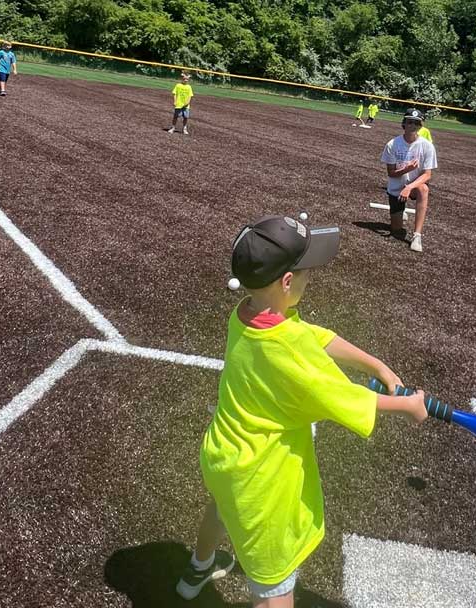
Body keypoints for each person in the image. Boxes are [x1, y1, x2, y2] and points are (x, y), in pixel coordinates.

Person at [176, 215, 427, 606]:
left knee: (222, 508)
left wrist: (375, 365)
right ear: (287, 282)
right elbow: (342, 397)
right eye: (307, 272)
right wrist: (408, 406)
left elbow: (313, 335)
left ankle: (198, 566)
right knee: (274, 587)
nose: (312, 278)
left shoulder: (248, 314)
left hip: (224, 455)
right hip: (262, 482)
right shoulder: (287, 347)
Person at [380, 109, 438, 252]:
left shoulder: (427, 146)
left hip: (414, 186)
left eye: (417, 123)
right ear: (404, 124)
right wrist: (407, 169)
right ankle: (401, 210)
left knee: (424, 189)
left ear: (421, 126)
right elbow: (391, 173)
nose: (413, 125)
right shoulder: (392, 144)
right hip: (396, 187)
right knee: (396, 229)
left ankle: (417, 235)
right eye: (410, 122)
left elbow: (427, 175)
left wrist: (409, 187)